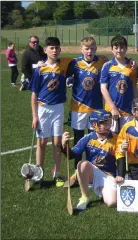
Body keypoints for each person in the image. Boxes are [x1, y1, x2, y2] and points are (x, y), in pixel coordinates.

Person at [29, 37, 72, 187]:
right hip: (43, 109)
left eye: (57, 48)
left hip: (58, 108)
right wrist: (35, 116)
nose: (54, 50)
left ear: (60, 50)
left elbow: (82, 59)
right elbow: (33, 95)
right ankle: (38, 173)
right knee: (41, 142)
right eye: (51, 48)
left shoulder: (64, 65)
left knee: (57, 143)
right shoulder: (40, 70)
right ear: (45, 50)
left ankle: (57, 173)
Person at [65, 37, 108, 186]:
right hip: (78, 108)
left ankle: (92, 171)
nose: (89, 51)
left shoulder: (103, 61)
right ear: (81, 49)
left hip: (96, 109)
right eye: (86, 48)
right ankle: (77, 173)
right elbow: (60, 72)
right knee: (78, 140)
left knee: (93, 141)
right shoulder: (74, 63)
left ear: (96, 48)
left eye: (92, 48)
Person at [62, 110, 121, 211]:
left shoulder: (116, 139)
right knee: (82, 164)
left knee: (112, 202)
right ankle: (84, 197)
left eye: (109, 122)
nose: (108, 125)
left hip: (109, 176)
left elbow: (121, 159)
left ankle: (102, 191)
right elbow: (72, 155)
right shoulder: (87, 138)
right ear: (94, 124)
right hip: (92, 172)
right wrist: (63, 146)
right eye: (104, 122)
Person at [100, 35, 137, 134]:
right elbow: (103, 89)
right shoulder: (107, 66)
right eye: (116, 48)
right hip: (111, 111)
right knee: (112, 140)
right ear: (112, 49)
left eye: (122, 48)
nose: (119, 50)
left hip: (128, 110)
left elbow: (134, 88)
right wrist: (113, 108)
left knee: (127, 140)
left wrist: (135, 106)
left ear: (126, 49)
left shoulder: (132, 66)